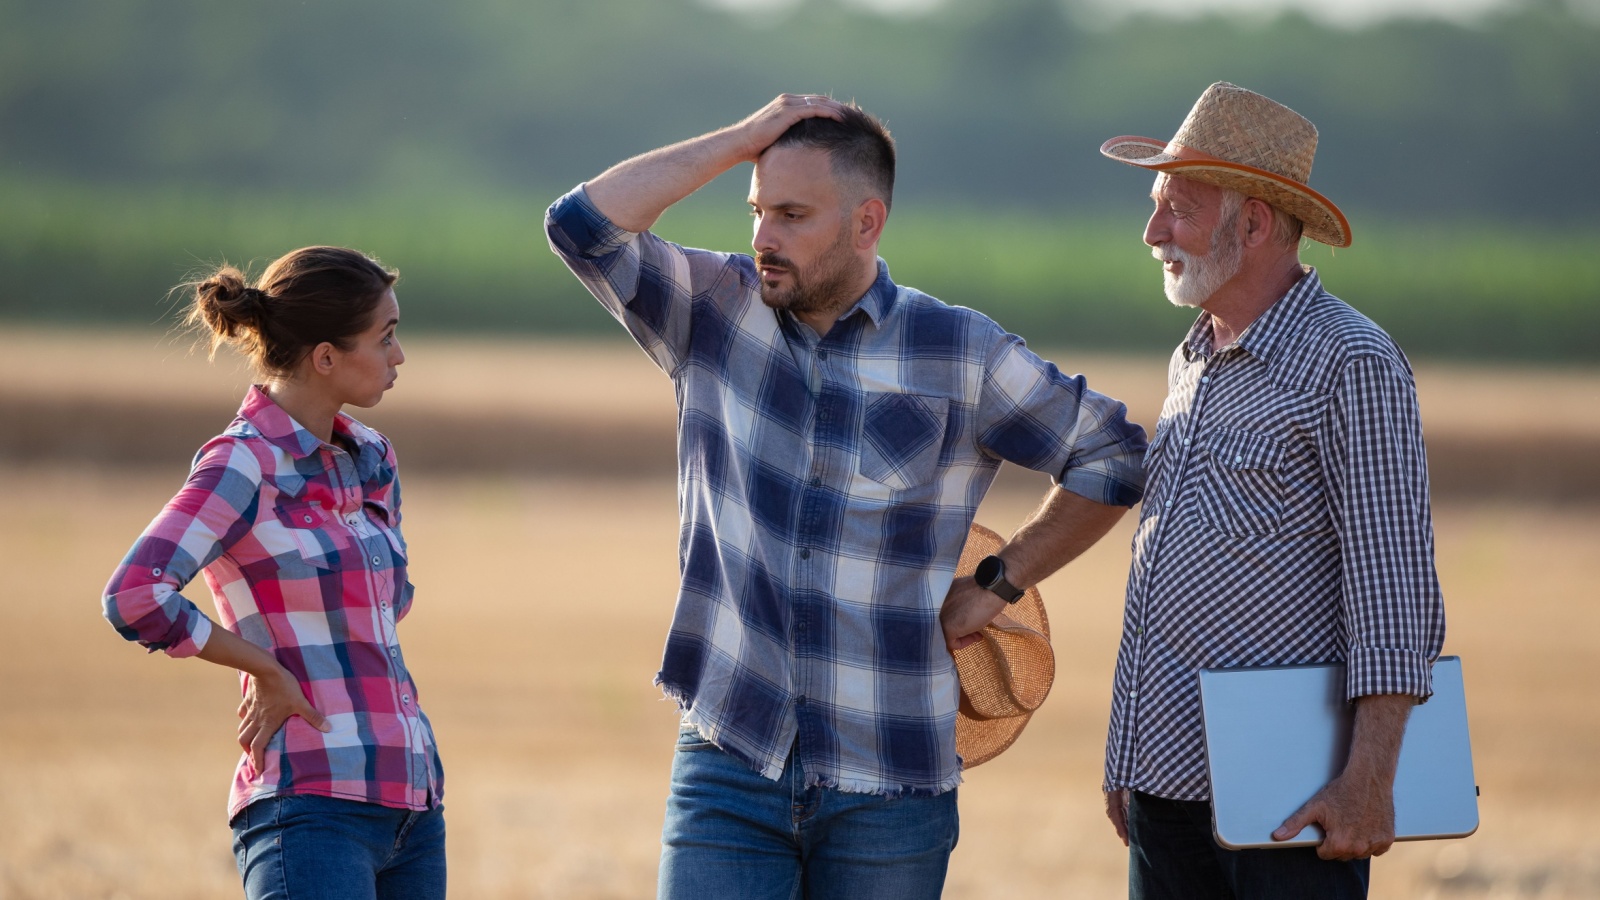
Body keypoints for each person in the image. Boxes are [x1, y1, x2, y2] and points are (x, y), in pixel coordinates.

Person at [546, 94, 1148, 898]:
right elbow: (582, 225)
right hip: (728, 762)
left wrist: (1001, 579)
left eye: (793, 215)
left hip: (890, 787)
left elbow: (1111, 454)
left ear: (867, 224)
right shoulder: (711, 310)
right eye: (758, 210)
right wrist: (742, 139)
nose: (764, 237)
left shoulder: (959, 352)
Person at [1095, 82, 1448, 899]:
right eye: (1156, 206)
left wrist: (1369, 780)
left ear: (1253, 223)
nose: (1152, 233)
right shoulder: (1192, 359)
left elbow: (1393, 587)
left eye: (1177, 208)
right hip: (1163, 790)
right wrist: (1127, 754)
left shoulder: (1349, 361)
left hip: (1295, 799)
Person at [102, 247, 445, 899]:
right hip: (309, 805)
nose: (399, 355)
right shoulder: (242, 465)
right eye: (386, 337)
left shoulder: (373, 456)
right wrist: (265, 667)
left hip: (414, 801)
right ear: (325, 357)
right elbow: (134, 595)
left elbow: (384, 608)